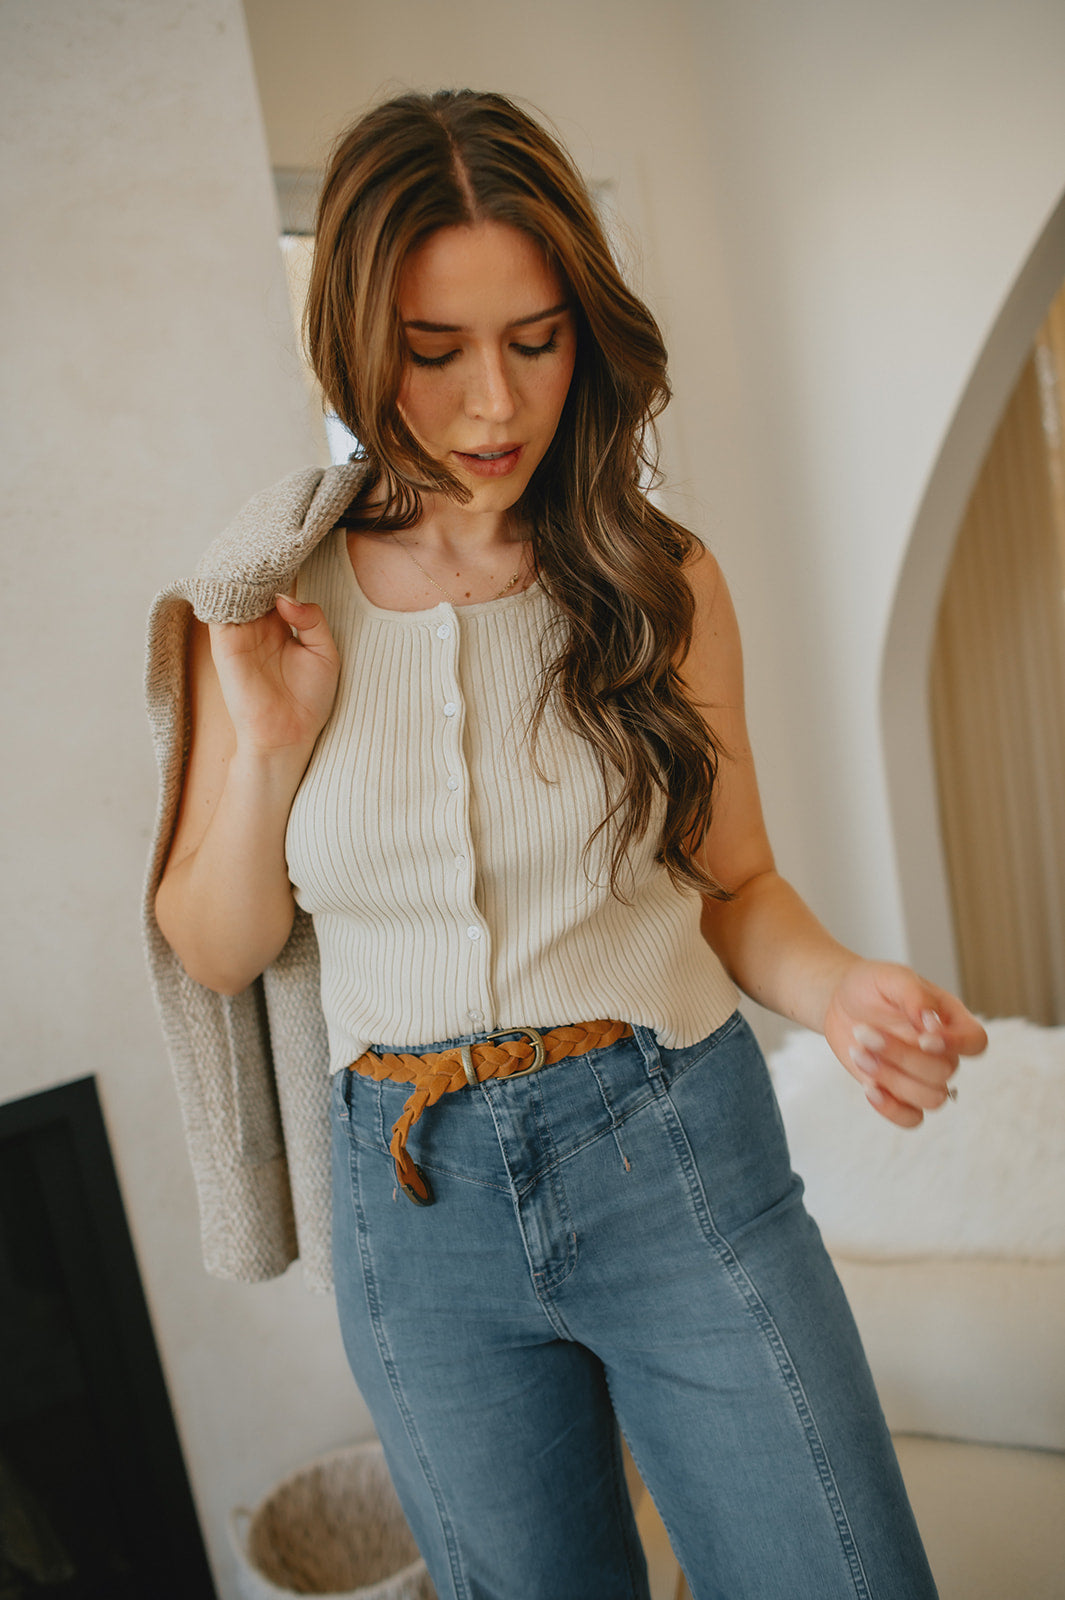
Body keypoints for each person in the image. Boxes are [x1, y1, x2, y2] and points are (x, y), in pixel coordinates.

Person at [148, 89, 986, 1600]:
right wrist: (267, 744)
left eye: (535, 341)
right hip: (414, 1210)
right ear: (356, 340)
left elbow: (736, 885)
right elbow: (217, 949)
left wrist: (842, 989)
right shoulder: (266, 599)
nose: (496, 407)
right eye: (436, 351)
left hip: (671, 1144)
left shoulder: (658, 578)